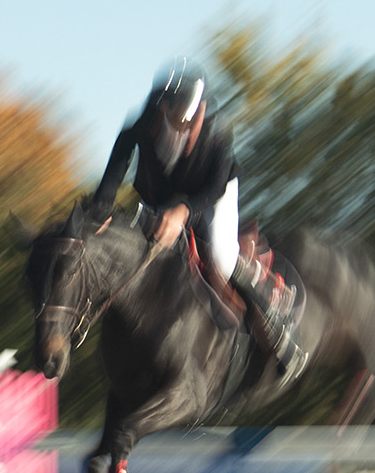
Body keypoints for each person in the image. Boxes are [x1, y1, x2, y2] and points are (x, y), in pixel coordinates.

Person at [90, 59, 306, 376]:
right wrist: (100, 214)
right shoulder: (144, 121)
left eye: (188, 118)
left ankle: (277, 331)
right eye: (173, 113)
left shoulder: (216, 133)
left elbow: (215, 187)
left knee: (222, 256)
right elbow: (117, 166)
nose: (182, 125)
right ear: (162, 105)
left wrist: (184, 212)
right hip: (165, 197)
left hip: (211, 196)